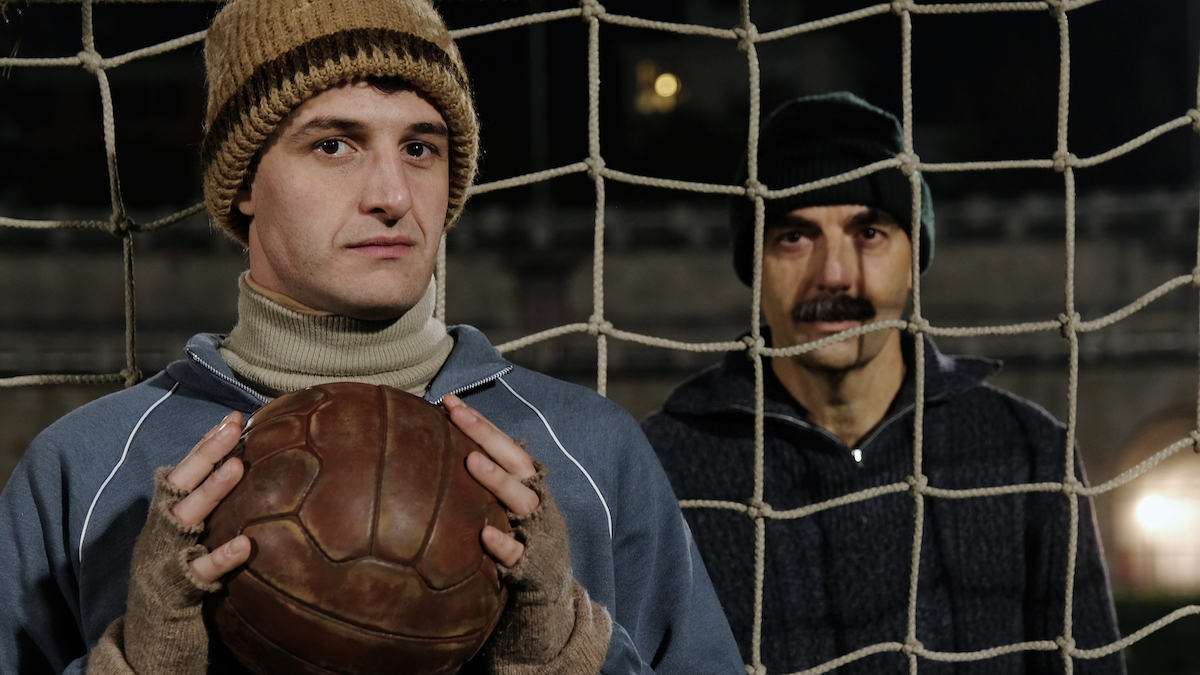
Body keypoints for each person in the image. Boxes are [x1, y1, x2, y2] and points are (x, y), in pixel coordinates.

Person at [0, 1, 743, 673]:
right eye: (334, 145)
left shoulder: (592, 450)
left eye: (420, 148)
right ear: (244, 183)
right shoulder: (85, 467)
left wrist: (566, 651)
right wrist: (141, 662)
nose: (391, 195)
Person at [641, 92, 1125, 674]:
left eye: (868, 232)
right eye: (795, 236)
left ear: (913, 254)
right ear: (755, 264)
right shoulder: (660, 466)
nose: (835, 275)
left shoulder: (1028, 452)